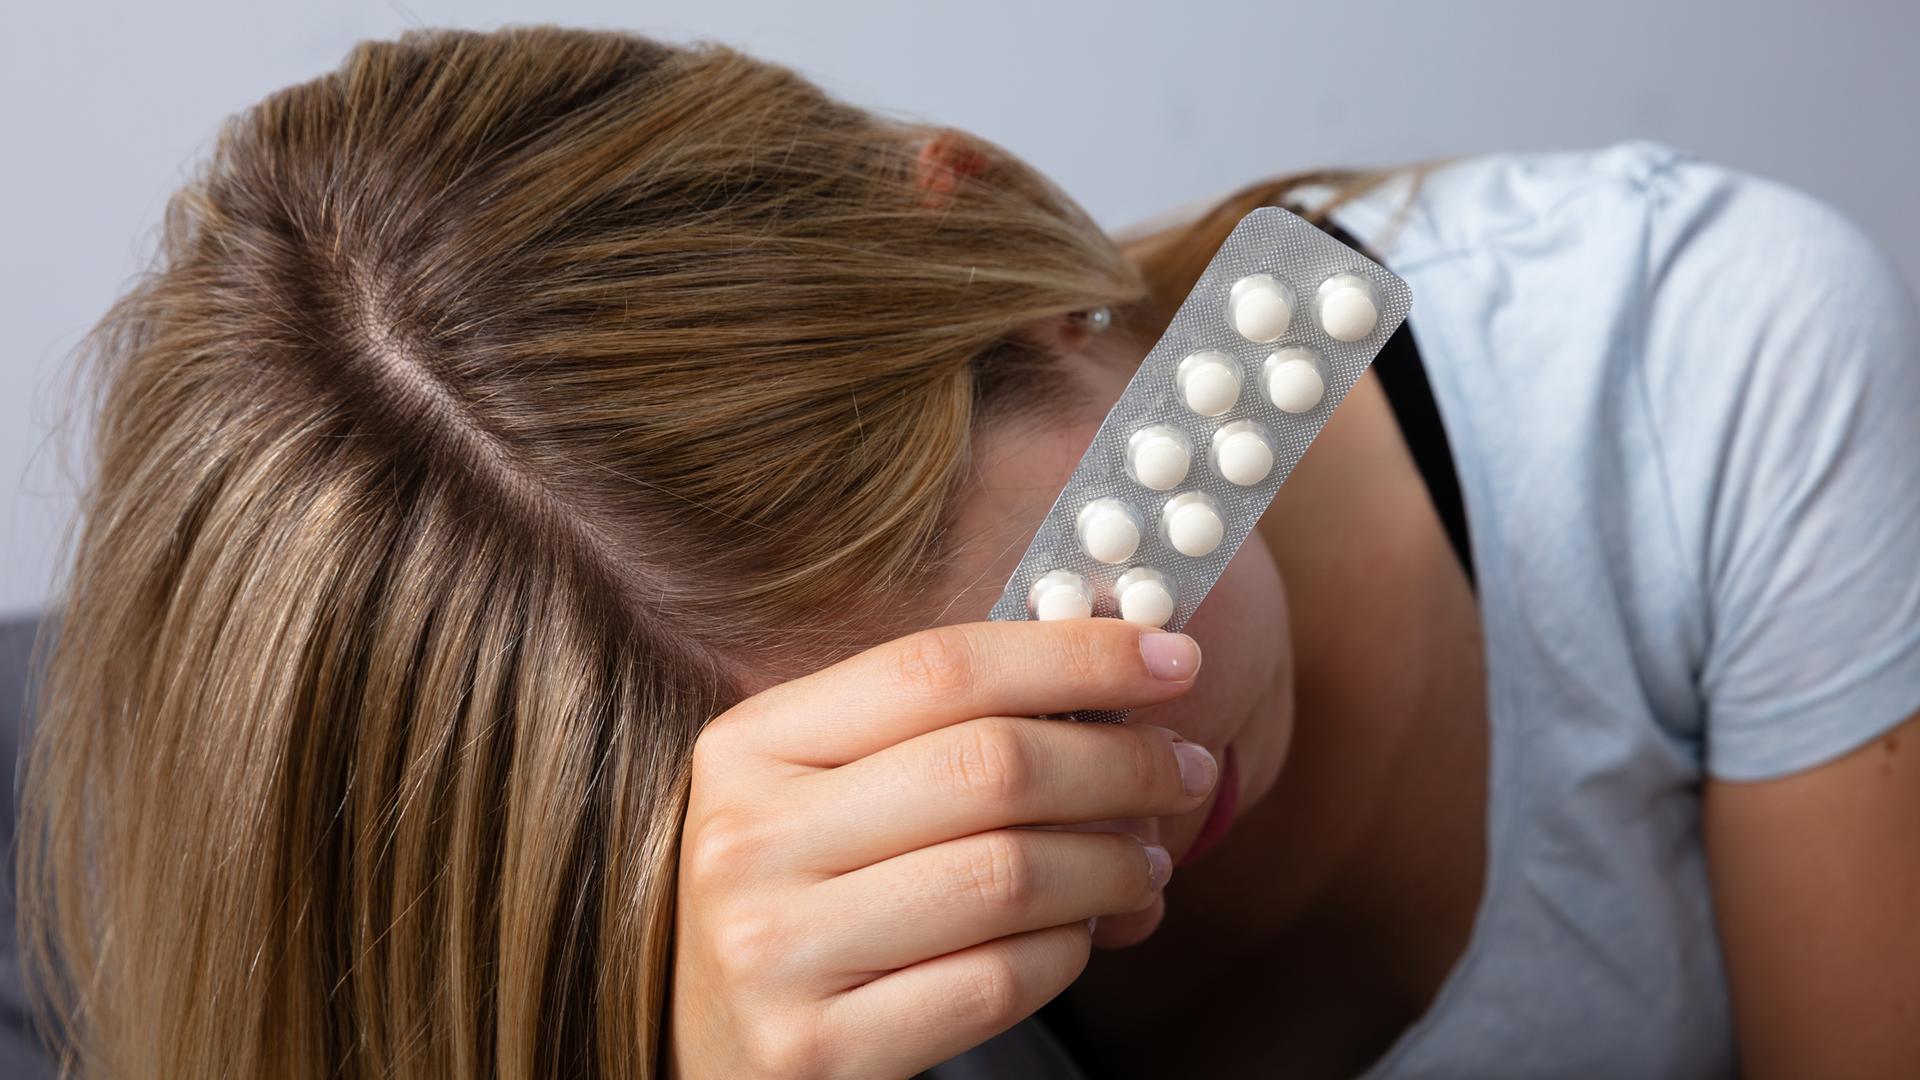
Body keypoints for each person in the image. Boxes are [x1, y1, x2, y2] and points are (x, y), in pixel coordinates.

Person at [13, 23, 1918, 1080]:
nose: (1119, 802)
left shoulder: (1694, 365)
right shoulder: (626, 985)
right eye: (883, 811)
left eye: (1070, 617)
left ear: (998, 235)